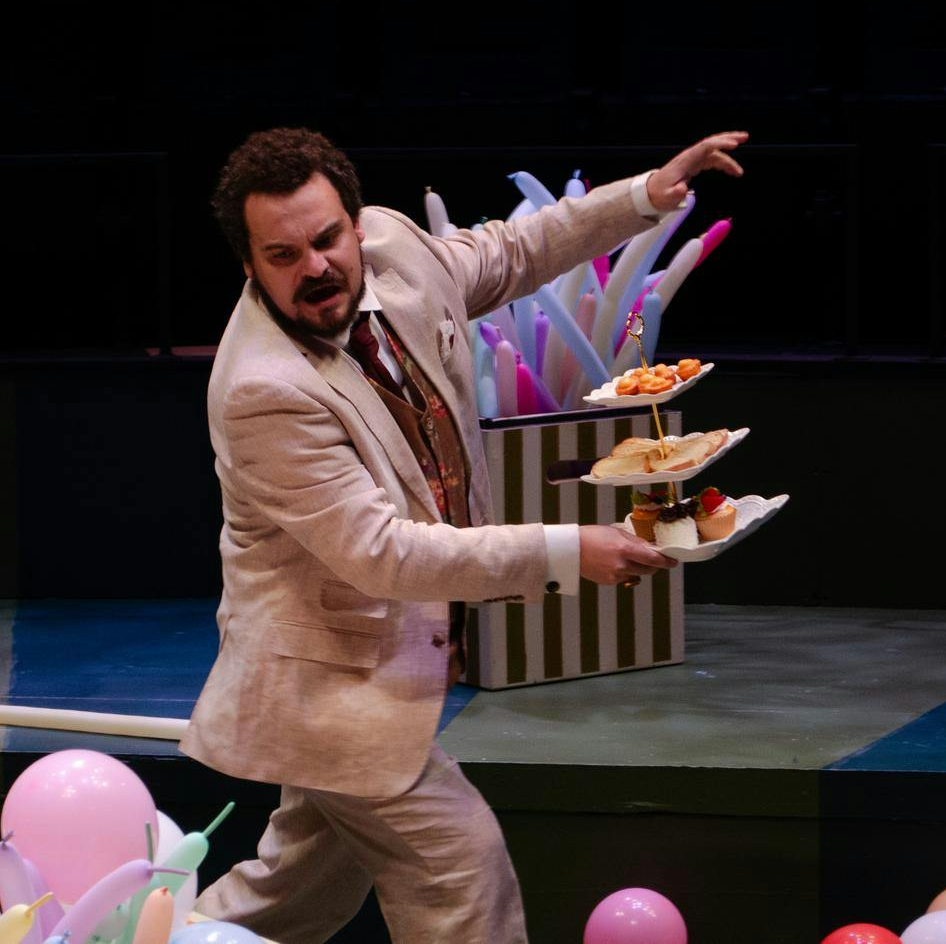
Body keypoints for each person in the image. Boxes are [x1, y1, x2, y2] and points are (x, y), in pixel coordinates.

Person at [185, 127, 749, 943]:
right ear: (248, 264)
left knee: (288, 899)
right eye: (282, 254)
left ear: (355, 222)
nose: (315, 266)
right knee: (462, 866)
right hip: (327, 688)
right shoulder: (261, 389)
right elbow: (385, 552)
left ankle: (138, 931)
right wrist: (567, 549)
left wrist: (643, 196)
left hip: (364, 669)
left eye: (327, 238)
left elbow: (514, 250)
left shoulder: (396, 251)